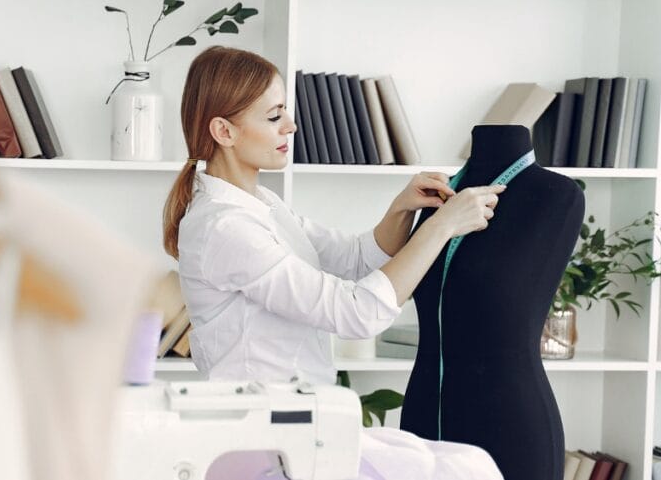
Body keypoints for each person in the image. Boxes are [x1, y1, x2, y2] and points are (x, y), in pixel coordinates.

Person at [163, 46, 505, 480]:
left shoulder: (260, 204)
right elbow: (356, 312)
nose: (292, 125)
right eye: (273, 117)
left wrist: (401, 210)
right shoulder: (225, 227)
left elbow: (355, 259)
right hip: (263, 446)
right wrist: (440, 229)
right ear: (224, 131)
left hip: (296, 433)